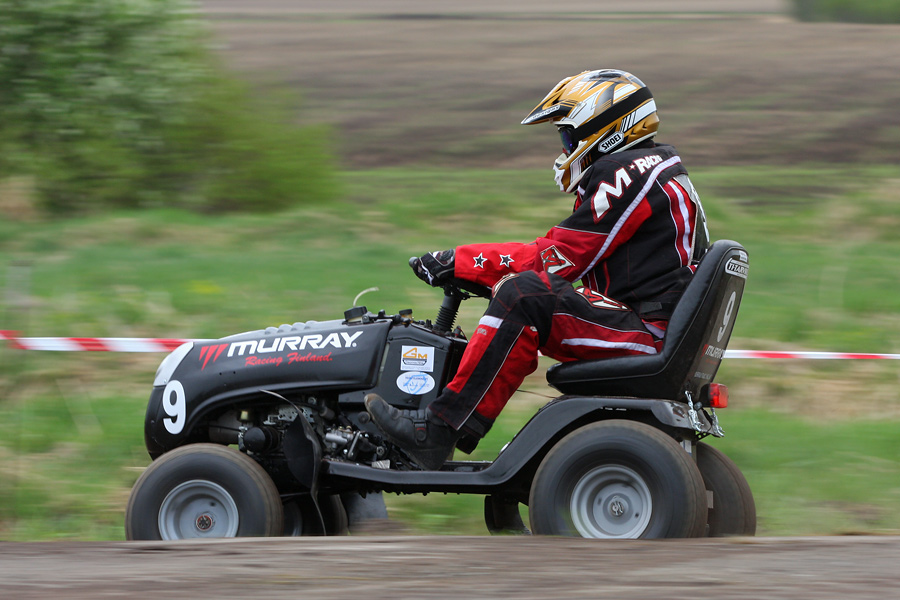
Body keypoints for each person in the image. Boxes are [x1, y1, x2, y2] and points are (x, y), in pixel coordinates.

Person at [365, 69, 709, 470]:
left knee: (522, 295)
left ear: (607, 129)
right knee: (526, 291)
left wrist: (461, 261)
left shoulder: (627, 173)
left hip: (646, 334)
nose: (565, 148)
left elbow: (557, 259)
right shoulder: (658, 168)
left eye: (568, 137)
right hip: (658, 328)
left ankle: (437, 431)